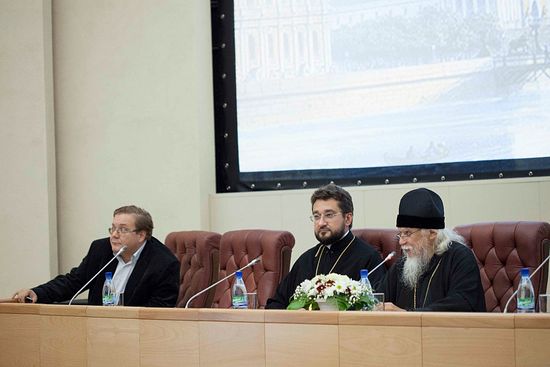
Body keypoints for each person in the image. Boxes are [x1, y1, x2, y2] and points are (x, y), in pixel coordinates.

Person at [12, 205, 180, 307]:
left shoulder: (164, 263)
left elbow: (160, 308)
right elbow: (74, 282)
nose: (114, 235)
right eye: (112, 228)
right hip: (95, 330)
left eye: (122, 229)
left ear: (141, 235)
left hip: (136, 336)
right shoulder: (101, 249)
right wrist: (37, 293)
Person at [266, 184, 386, 309]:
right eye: (316, 216)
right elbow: (275, 304)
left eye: (329, 215)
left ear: (348, 219)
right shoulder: (306, 260)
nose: (321, 223)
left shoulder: (369, 258)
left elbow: (374, 308)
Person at [383, 188, 485, 312]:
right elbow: (379, 299)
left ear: (432, 233)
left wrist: (407, 315)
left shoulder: (460, 258)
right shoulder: (402, 266)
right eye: (400, 233)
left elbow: (462, 304)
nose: (401, 242)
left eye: (408, 233)